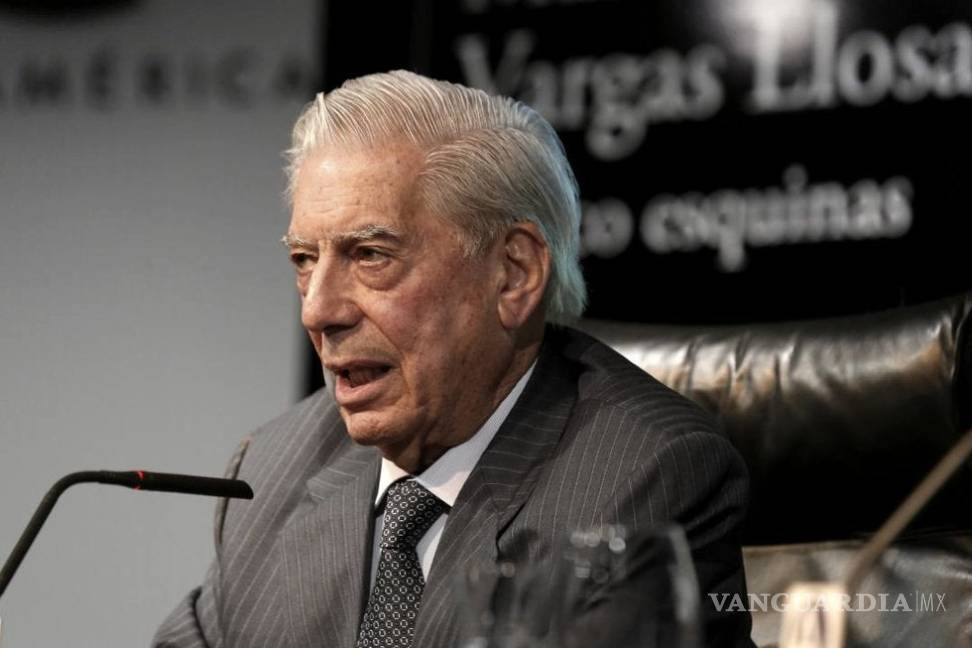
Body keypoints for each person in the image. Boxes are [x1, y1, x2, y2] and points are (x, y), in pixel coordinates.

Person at [153, 70, 753, 648]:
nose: (318, 311)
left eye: (370, 255)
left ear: (513, 273)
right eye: (305, 260)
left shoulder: (645, 479)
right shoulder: (271, 470)